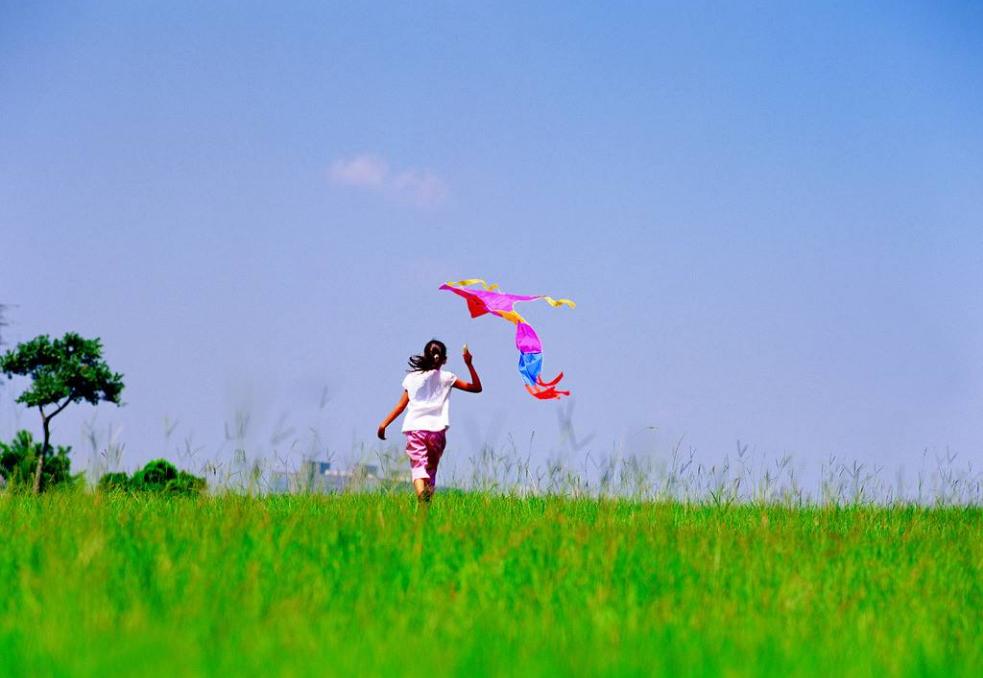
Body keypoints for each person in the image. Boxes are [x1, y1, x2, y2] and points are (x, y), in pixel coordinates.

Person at [377, 339, 482, 502]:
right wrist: (469, 364)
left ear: (425, 356)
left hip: (415, 429)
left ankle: (421, 493)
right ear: (444, 360)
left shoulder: (411, 378)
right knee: (431, 469)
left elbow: (401, 406)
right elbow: (476, 388)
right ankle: (424, 509)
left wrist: (384, 424)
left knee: (418, 466)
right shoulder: (447, 378)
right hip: (437, 431)